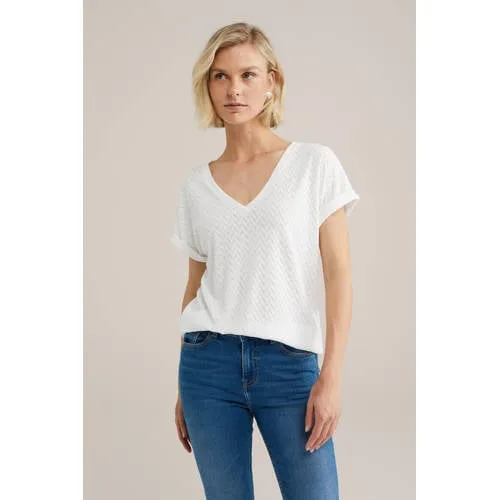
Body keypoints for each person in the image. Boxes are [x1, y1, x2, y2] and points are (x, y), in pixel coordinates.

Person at [170, 22, 360, 500]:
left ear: (271, 81)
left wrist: (332, 377)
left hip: (289, 365)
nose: (234, 89)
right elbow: (195, 286)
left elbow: (338, 275)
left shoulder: (314, 165)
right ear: (207, 86)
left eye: (248, 74)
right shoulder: (197, 185)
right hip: (207, 366)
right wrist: (182, 384)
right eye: (220, 76)